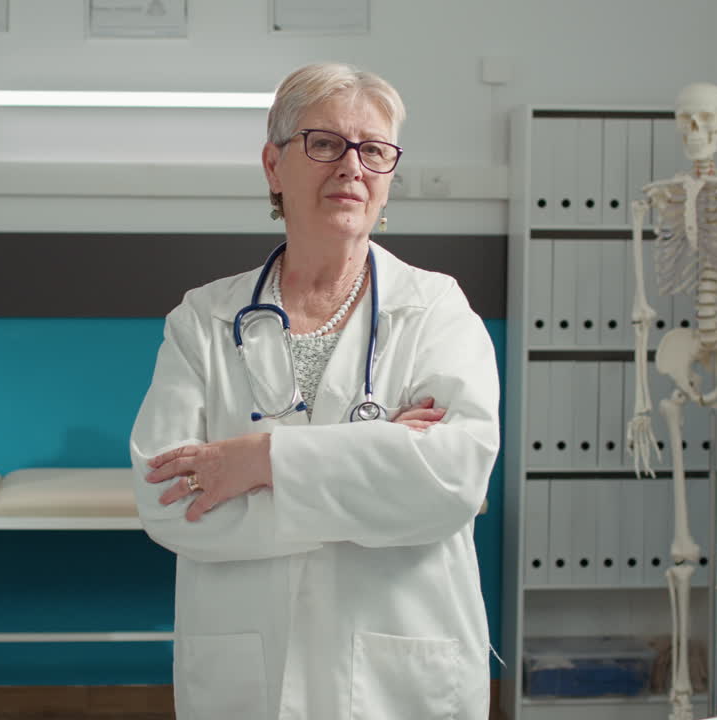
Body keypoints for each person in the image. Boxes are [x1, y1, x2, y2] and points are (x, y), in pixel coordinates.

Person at [130, 62, 500, 719]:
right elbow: (165, 500)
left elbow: (453, 480)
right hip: (249, 673)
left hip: (400, 673)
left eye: (375, 150)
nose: (352, 166)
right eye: (324, 143)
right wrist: (377, 469)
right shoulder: (203, 322)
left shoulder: (435, 309)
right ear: (274, 167)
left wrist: (257, 464)